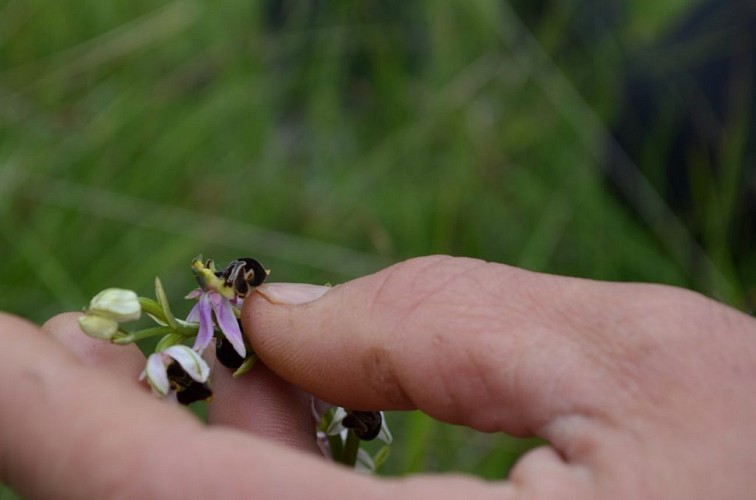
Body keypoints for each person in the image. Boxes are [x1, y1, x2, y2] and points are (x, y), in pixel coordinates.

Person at [1, 255, 755, 498]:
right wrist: (217, 318)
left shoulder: (231, 313)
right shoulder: (211, 320)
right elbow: (213, 333)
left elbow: (231, 323)